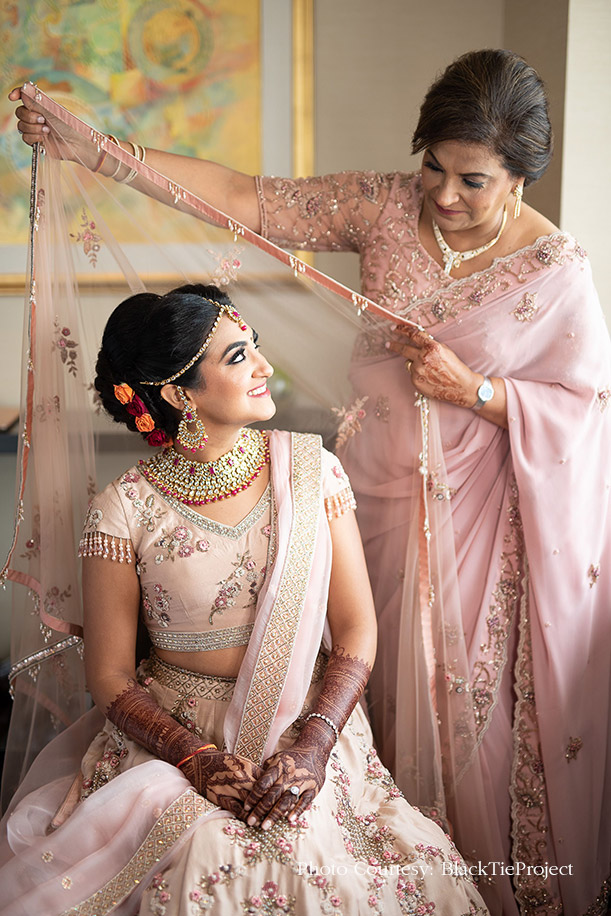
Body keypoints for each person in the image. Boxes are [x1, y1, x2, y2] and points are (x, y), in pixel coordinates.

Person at [10, 48, 611, 914]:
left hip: (485, 521)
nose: (444, 195)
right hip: (368, 498)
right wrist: (95, 148)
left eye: (473, 181)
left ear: (520, 177)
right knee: (359, 682)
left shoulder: (553, 269)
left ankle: (484, 888)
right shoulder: (384, 206)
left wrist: (476, 391)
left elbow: (586, 407)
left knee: (466, 719)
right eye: (433, 167)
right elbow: (247, 197)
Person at [0, 283, 488, 914]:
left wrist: (314, 745)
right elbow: (111, 675)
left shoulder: (312, 472)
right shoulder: (123, 509)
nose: (264, 366)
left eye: (254, 346)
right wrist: (195, 759)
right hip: (174, 744)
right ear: (179, 394)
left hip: (304, 728)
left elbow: (356, 629)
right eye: (238, 357)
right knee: (211, 864)